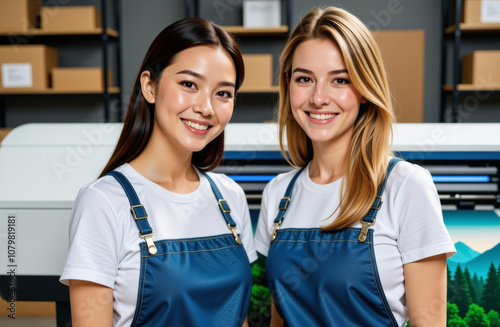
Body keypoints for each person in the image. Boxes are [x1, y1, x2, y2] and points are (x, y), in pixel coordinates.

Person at [254, 6, 456, 327]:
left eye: (340, 80)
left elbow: (428, 321)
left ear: (364, 90)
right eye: (304, 78)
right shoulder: (278, 194)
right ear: (288, 86)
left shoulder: (406, 186)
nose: (319, 98)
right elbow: (281, 316)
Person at [60, 17, 257, 327]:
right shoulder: (103, 202)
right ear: (149, 86)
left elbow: (238, 318)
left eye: (223, 93)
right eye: (189, 84)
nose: (206, 107)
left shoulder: (230, 197)